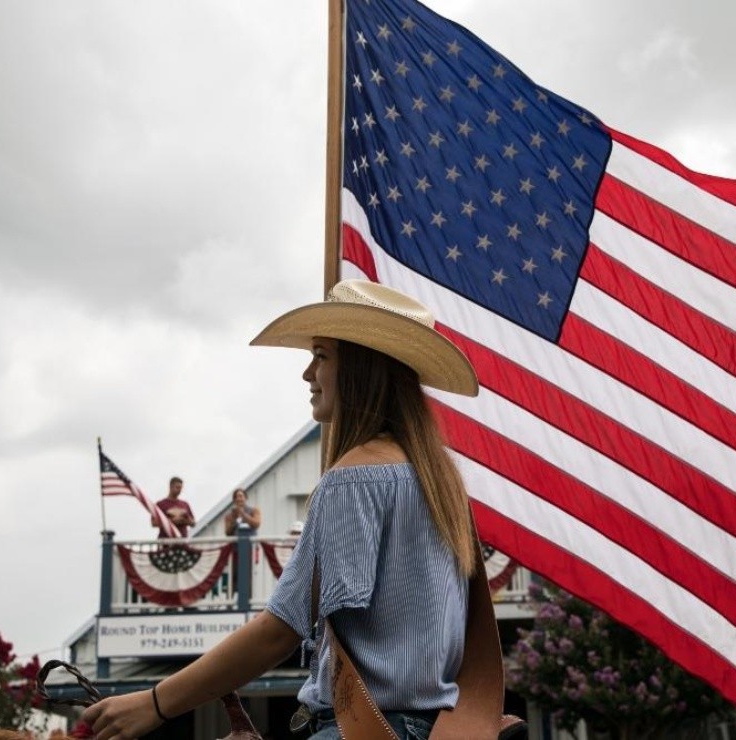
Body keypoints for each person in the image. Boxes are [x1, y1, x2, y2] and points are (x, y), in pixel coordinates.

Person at [82, 279, 480, 740]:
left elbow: (280, 631)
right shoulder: (439, 480)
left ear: (359, 367)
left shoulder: (353, 478)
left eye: (322, 356)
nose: (308, 374)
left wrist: (153, 703)